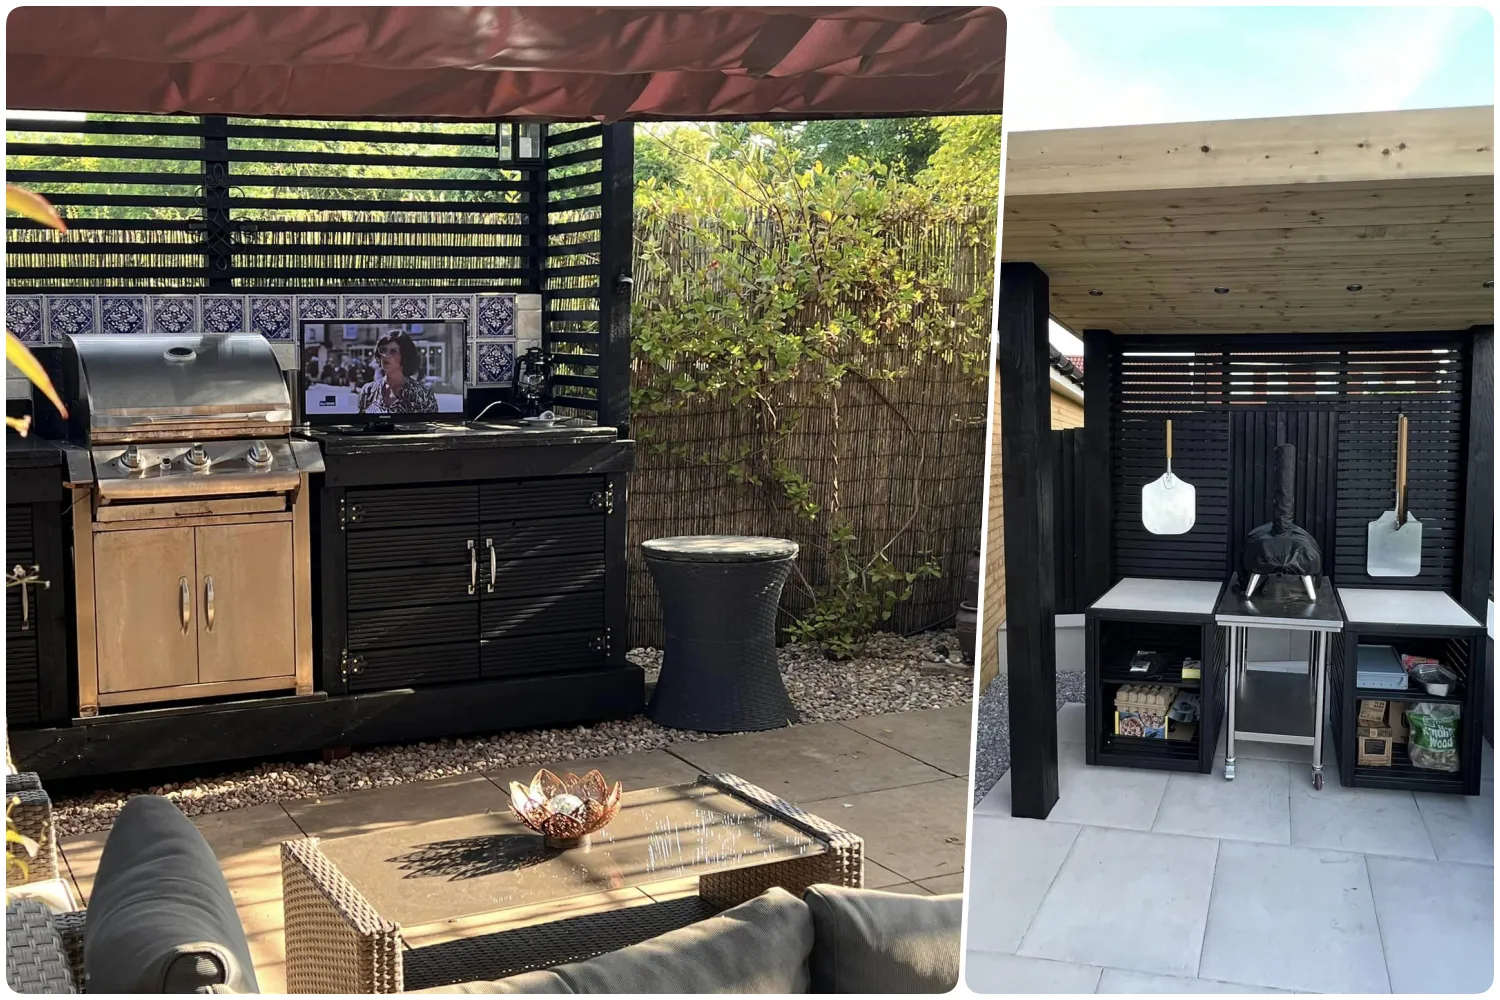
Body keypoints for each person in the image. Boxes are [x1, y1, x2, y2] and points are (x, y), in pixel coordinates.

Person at [357, 331, 438, 414]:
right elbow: (361, 424)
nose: (386, 355)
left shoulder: (423, 394)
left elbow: (431, 425)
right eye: (383, 350)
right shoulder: (368, 391)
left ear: (405, 356)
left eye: (393, 351)